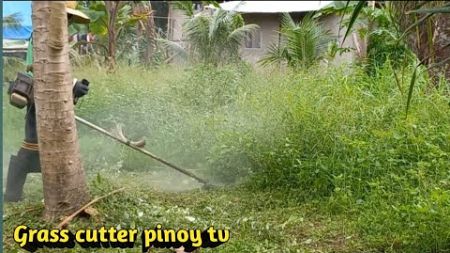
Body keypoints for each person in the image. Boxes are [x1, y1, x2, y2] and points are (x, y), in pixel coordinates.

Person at [4, 2, 92, 202]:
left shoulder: (59, 38)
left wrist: (74, 87)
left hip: (55, 105)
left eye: (68, 18)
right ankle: (12, 194)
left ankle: (58, 192)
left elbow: (58, 70)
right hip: (41, 102)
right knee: (32, 147)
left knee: (50, 151)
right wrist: (73, 86)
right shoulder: (41, 38)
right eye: (65, 17)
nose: (67, 22)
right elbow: (42, 73)